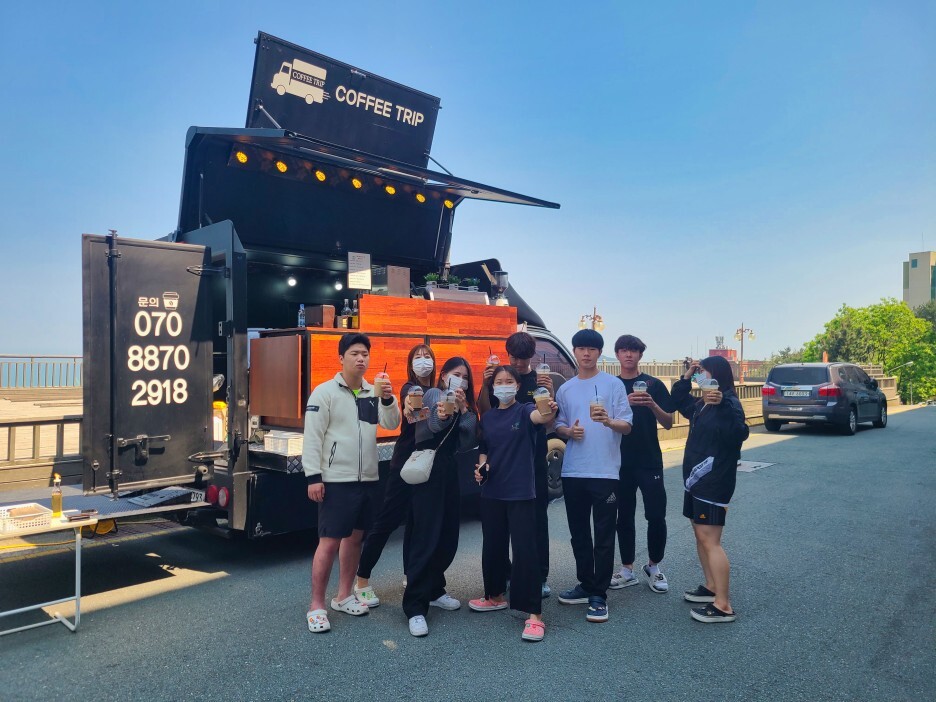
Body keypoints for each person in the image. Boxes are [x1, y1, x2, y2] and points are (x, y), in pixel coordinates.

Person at [302, 333, 401, 633]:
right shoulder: (324, 393)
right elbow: (313, 437)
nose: (361, 359)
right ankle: (316, 606)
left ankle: (344, 595)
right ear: (341, 358)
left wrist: (388, 399)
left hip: (367, 479)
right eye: (355, 353)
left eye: (365, 354)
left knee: (355, 539)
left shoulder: (373, 391)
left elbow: (391, 423)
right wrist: (313, 477)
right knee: (329, 542)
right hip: (336, 481)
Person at [468, 365, 558, 642]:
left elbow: (542, 416)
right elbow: (484, 449)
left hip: (521, 492)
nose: (504, 385)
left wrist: (548, 405)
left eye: (509, 381)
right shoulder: (488, 417)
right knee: (493, 547)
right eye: (499, 381)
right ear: (492, 386)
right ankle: (494, 595)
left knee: (524, 551)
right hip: (492, 491)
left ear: (518, 386)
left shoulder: (525, 410)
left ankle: (534, 615)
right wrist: (481, 468)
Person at [554, 329, 633, 623]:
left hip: (605, 471)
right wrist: (568, 431)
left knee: (603, 533)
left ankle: (599, 594)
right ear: (574, 351)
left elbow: (627, 425)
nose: (586, 353)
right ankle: (585, 584)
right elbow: (558, 424)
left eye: (591, 349)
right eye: (581, 348)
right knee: (578, 533)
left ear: (599, 353)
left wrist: (609, 421)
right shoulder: (566, 389)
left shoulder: (613, 385)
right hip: (574, 470)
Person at [354, 344, 436, 607]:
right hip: (404, 465)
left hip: (427, 465)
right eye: (417, 357)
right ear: (410, 365)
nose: (423, 361)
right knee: (387, 521)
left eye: (427, 357)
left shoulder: (438, 391)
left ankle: (412, 576)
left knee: (418, 522)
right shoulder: (409, 388)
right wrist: (422, 411)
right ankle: (362, 579)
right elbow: (411, 411)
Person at [402, 357, 478, 637]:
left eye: (465, 377)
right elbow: (432, 425)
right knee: (425, 535)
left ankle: (435, 589)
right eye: (456, 374)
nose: (461, 380)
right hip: (428, 468)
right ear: (444, 375)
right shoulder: (434, 393)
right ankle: (415, 606)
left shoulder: (463, 402)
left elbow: (469, 441)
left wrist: (465, 410)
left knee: (447, 534)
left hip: (449, 468)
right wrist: (445, 413)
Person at [670, 355, 749, 623]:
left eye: (703, 371)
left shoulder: (728, 402)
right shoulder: (702, 403)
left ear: (717, 374)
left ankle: (723, 605)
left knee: (710, 539)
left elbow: (739, 434)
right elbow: (679, 400)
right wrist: (686, 377)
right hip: (696, 479)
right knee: (699, 533)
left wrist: (723, 405)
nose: (699, 375)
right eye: (698, 372)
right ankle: (711, 586)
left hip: (714, 481)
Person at [477, 331, 553, 597]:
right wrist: (485, 384)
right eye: (514, 358)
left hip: (533, 461)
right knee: (501, 525)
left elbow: (548, 420)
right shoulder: (500, 378)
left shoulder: (539, 380)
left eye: (524, 358)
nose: (519, 363)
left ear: (532, 356)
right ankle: (507, 574)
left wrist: (550, 393)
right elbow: (486, 414)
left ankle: (539, 576)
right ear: (508, 355)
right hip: (502, 461)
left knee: (536, 521)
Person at [610, 334, 674, 593]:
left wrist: (653, 405)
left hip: (649, 460)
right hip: (619, 461)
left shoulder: (654, 384)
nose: (629, 354)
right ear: (617, 354)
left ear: (640, 355)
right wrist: (624, 402)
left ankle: (654, 566)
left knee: (656, 515)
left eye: (633, 351)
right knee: (623, 516)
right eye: (624, 350)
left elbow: (668, 423)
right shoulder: (611, 385)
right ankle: (627, 569)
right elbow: (601, 419)